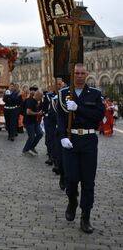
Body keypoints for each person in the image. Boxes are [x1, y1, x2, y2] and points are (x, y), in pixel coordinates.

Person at [57, 64, 105, 234]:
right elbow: (61, 118)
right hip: (71, 140)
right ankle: (72, 200)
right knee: (70, 178)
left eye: (82, 73)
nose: (79, 76)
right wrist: (62, 136)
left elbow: (99, 115)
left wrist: (79, 109)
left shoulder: (95, 94)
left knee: (88, 181)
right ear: (72, 74)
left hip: (89, 140)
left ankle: (85, 216)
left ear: (87, 74)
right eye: (76, 73)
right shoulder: (63, 94)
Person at [22, 89, 44, 156]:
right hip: (29, 122)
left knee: (40, 133)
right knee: (31, 136)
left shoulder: (36, 101)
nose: (41, 98)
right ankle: (25, 150)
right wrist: (38, 113)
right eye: (40, 97)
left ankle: (32, 147)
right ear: (37, 95)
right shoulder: (30, 101)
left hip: (35, 121)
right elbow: (28, 112)